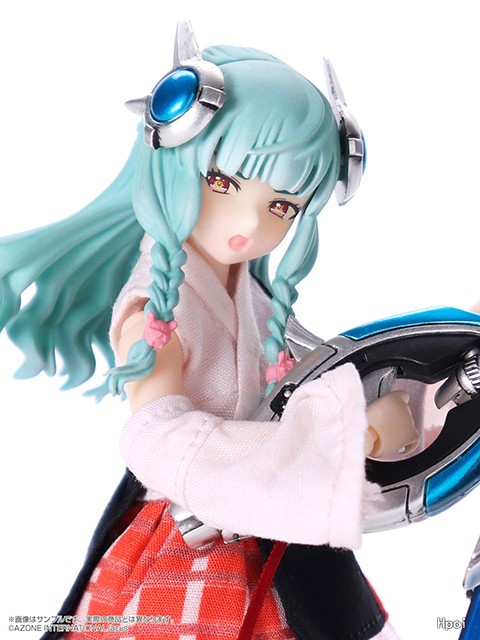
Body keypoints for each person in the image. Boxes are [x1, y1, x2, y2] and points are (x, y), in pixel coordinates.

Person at [0, 22, 410, 640]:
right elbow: (155, 439)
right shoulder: (157, 307)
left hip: (271, 541)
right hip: (188, 544)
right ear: (174, 160)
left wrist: (372, 414)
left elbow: (312, 386)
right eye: (223, 182)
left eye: (281, 206)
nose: (249, 223)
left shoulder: (257, 300)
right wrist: (333, 439)